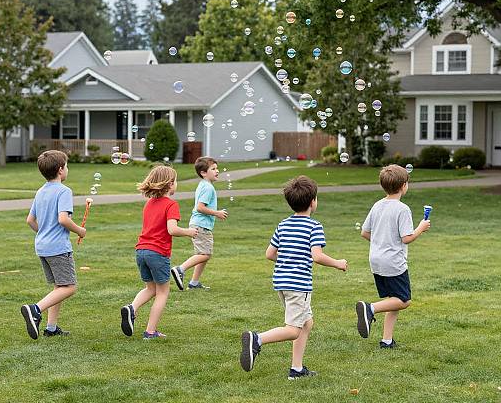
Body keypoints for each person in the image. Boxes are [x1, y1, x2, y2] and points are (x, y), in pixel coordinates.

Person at [240, 175, 348, 379]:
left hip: (281, 282)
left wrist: (288, 260)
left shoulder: (283, 224)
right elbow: (317, 256)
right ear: (313, 201)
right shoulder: (314, 226)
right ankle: (257, 339)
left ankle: (296, 369)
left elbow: (270, 254)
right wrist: (338, 263)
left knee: (306, 323)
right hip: (299, 285)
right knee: (293, 330)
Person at [356, 164, 431, 348]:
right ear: (404, 185)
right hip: (393, 262)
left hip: (376, 261)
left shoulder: (377, 205)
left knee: (393, 300)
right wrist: (420, 228)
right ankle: (370, 308)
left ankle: (387, 340)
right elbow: (406, 238)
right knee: (404, 301)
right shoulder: (402, 209)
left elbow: (365, 233)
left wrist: (381, 241)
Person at [120, 165, 198, 339]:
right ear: (170, 184)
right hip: (157, 253)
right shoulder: (171, 204)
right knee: (163, 292)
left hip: (141, 251)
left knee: (150, 288)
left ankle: (132, 308)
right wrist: (188, 232)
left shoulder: (149, 204)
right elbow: (172, 229)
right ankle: (150, 331)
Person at [22, 150, 86, 339]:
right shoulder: (64, 191)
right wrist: (80, 231)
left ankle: (51, 328)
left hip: (42, 246)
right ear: (60, 170)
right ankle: (35, 309)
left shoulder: (40, 191)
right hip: (58, 247)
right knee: (70, 287)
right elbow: (63, 219)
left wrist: (44, 232)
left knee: (60, 286)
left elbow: (30, 220)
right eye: (66, 166)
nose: (67, 169)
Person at [171, 157, 228, 291]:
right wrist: (216, 213)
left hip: (199, 224)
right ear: (203, 172)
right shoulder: (208, 188)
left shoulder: (203, 184)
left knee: (203, 254)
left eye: (216, 168)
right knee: (205, 254)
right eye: (213, 169)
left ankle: (194, 282)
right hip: (201, 225)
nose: (217, 171)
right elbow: (200, 207)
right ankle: (180, 269)